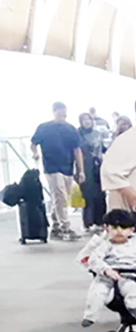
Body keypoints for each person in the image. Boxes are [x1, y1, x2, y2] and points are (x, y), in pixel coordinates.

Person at [76, 209, 136, 328]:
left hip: (128, 277)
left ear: (131, 230)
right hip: (106, 277)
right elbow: (94, 260)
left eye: (123, 228)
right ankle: (90, 316)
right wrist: (106, 270)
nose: (119, 232)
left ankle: (133, 308)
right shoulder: (105, 246)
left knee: (132, 289)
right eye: (114, 228)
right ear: (107, 229)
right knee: (96, 291)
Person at [30, 102, 84, 240]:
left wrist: (80, 170)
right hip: (51, 167)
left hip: (67, 167)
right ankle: (65, 227)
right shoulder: (44, 128)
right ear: (54, 111)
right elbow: (33, 143)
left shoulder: (71, 129)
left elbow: (77, 150)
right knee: (60, 196)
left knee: (60, 198)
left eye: (64, 112)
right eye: (60, 111)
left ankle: (55, 225)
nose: (62, 114)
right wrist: (35, 153)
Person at [76, 113, 107, 232]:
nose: (87, 121)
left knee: (100, 194)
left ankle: (100, 221)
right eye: (84, 119)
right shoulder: (78, 135)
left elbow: (103, 148)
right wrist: (80, 171)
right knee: (88, 195)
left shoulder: (97, 134)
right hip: (85, 167)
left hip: (98, 167)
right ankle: (88, 223)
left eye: (89, 119)